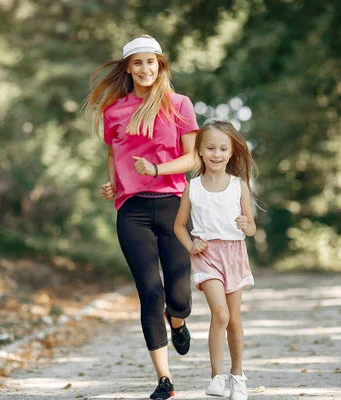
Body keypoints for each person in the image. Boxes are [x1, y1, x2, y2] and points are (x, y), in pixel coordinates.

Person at [85, 35, 199, 400]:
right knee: (150, 292)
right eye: (137, 63)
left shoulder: (179, 105)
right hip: (131, 210)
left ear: (160, 65)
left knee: (178, 296)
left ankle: (177, 320)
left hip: (173, 206)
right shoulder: (114, 111)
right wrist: (112, 183)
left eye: (151, 62)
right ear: (129, 68)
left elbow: (194, 158)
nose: (145, 69)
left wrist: (157, 168)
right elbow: (113, 152)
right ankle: (164, 379)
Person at [174, 120, 257, 400]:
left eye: (223, 148)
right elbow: (179, 226)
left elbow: (252, 227)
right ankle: (216, 377)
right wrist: (192, 244)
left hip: (234, 254)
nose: (216, 154)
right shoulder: (192, 187)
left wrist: (247, 224)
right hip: (207, 256)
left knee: (234, 320)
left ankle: (238, 376)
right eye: (210, 148)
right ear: (199, 151)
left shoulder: (239, 186)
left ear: (232, 152)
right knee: (219, 314)